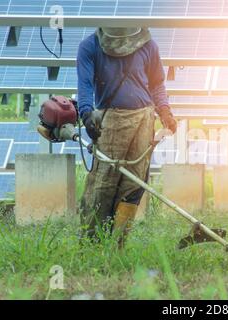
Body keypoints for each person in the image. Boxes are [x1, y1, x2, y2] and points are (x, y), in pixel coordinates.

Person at [77, 27, 177, 247]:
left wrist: (165, 110)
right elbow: (84, 84)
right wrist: (86, 113)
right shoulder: (90, 46)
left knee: (134, 183)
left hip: (144, 119)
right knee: (103, 184)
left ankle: (117, 244)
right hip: (109, 121)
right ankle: (93, 243)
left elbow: (157, 83)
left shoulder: (148, 45)